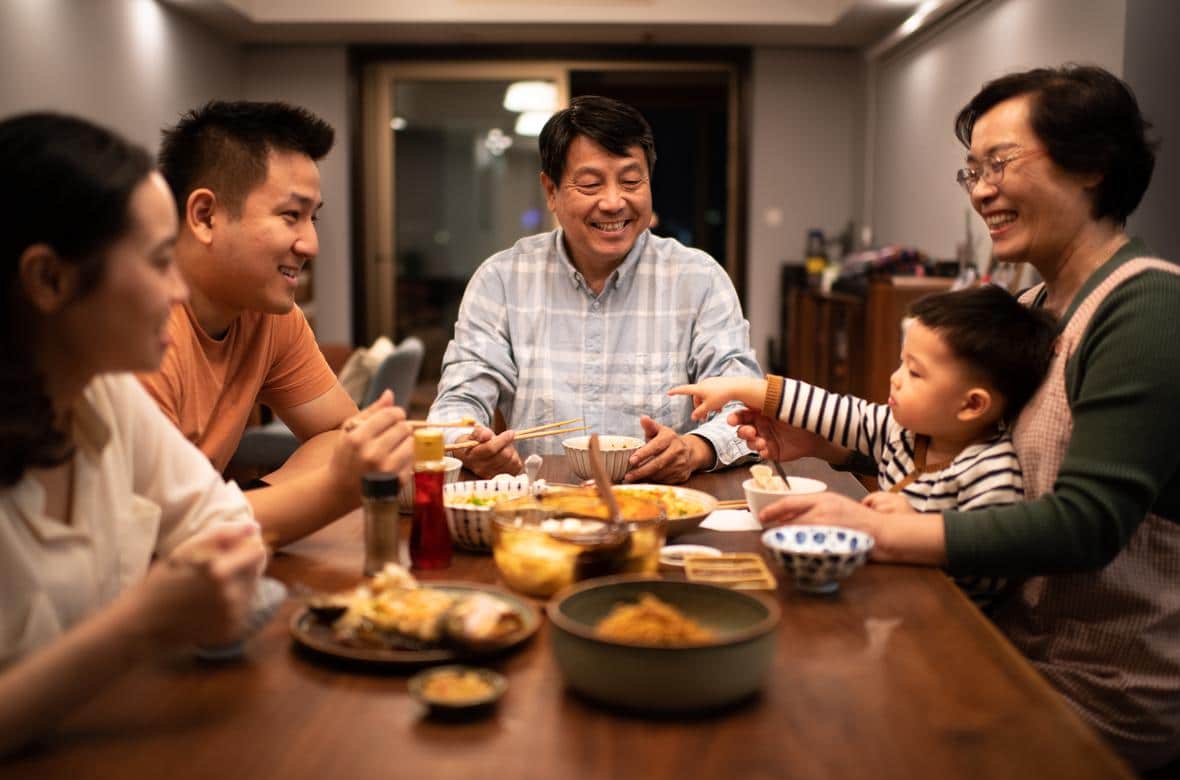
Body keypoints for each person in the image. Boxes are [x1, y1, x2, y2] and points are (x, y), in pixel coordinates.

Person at [737, 65, 1180, 770]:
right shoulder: (1033, 313)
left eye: (999, 163)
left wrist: (881, 529)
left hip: (1096, 688)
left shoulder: (1148, 308)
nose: (980, 190)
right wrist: (828, 445)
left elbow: (1087, 524)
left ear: (1093, 164)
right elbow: (966, 451)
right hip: (1002, 641)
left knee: (825, 732)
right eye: (970, 170)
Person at [0, 113, 267, 755]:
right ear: (49, 279)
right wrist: (141, 626)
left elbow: (228, 526)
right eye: (157, 262)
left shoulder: (102, 390)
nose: (177, 288)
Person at [427, 95, 762, 482]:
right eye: (590, 184)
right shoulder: (501, 280)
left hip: (662, 509)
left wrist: (694, 449)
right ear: (550, 191)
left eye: (631, 180)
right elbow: (456, 402)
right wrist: (469, 444)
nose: (613, 202)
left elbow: (744, 407)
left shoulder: (699, 279)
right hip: (541, 513)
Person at [672, 285, 1057, 608]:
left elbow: (987, 576)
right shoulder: (900, 430)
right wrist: (740, 389)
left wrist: (914, 527)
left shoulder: (993, 471)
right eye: (901, 363)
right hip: (885, 598)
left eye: (915, 372)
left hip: (945, 623)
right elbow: (831, 408)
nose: (895, 379)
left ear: (972, 404)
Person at [138, 101, 413, 547]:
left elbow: (340, 435)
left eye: (313, 217)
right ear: (206, 216)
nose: (311, 244)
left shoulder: (270, 314)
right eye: (291, 215)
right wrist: (329, 491)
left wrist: (250, 508)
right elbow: (155, 536)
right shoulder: (137, 334)